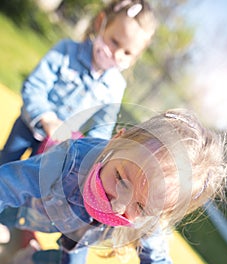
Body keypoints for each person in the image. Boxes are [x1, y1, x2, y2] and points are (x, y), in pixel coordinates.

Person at [0, 109, 227, 264]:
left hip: (80, 231)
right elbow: (9, 182)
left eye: (140, 206)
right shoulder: (69, 161)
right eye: (121, 180)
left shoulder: (149, 218)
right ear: (118, 139)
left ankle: (29, 258)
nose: (117, 205)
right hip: (33, 210)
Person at [0, 0, 156, 165]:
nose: (117, 55)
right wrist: (47, 118)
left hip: (55, 148)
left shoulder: (116, 87)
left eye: (127, 52)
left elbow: (101, 127)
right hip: (29, 125)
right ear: (100, 23)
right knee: (5, 164)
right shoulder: (66, 51)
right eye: (114, 42)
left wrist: (88, 152)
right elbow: (34, 86)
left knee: (29, 183)